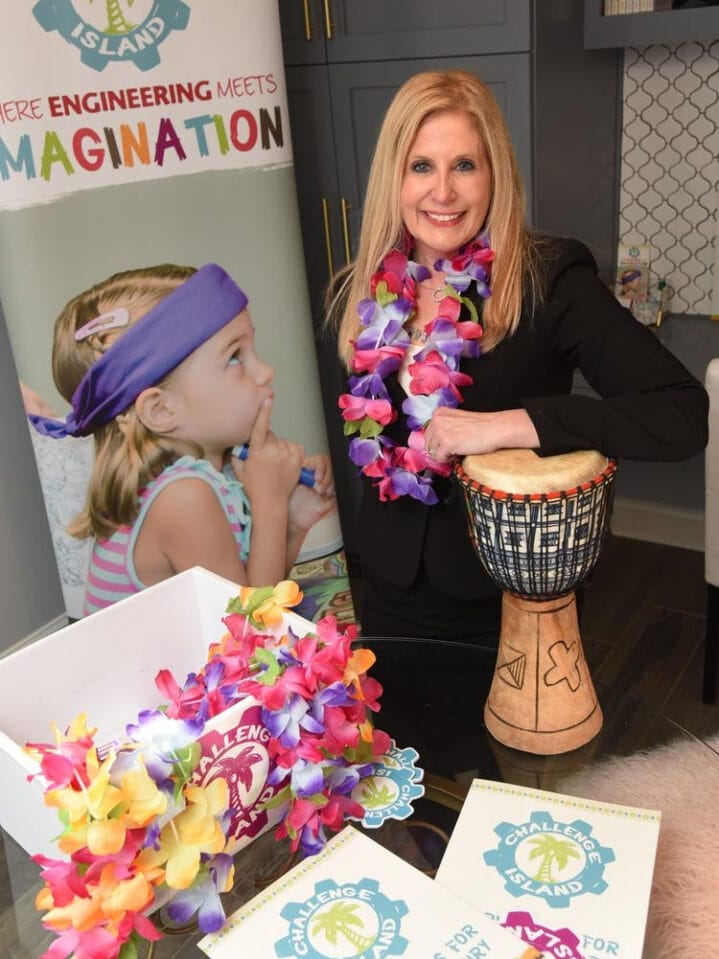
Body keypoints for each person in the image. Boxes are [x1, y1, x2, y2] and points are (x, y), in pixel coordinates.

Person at [327, 70, 708, 644]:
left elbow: (682, 413)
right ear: (394, 178)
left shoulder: (549, 280)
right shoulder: (364, 290)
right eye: (421, 166)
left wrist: (511, 426)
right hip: (385, 587)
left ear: (495, 173)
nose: (442, 192)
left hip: (508, 603)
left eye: (464, 165)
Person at [30, 262, 335, 615]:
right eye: (235, 357)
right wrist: (270, 502)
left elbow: (255, 590)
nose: (267, 371)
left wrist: (292, 523)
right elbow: (250, 632)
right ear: (160, 410)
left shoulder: (213, 474)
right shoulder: (183, 497)